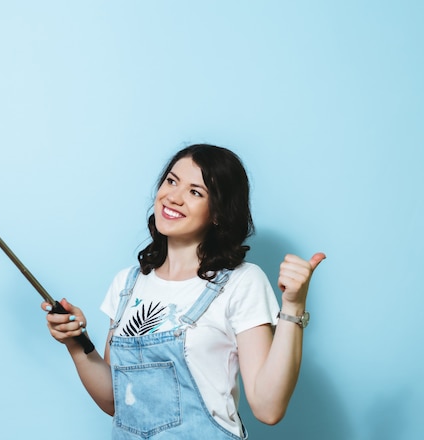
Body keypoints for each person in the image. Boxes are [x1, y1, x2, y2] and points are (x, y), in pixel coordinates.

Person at [43, 144, 325, 439]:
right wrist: (76, 343)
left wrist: (293, 306)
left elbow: (269, 409)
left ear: (218, 213)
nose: (173, 197)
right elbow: (116, 401)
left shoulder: (241, 282)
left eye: (195, 192)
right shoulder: (127, 284)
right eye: (171, 181)